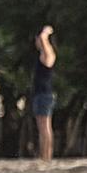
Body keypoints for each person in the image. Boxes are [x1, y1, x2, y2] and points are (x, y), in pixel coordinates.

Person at [29, 25, 56, 161]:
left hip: (44, 95)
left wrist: (45, 33)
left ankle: (46, 156)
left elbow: (43, 39)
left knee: (45, 128)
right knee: (42, 128)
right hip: (41, 95)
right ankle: (44, 155)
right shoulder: (43, 55)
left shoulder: (48, 54)